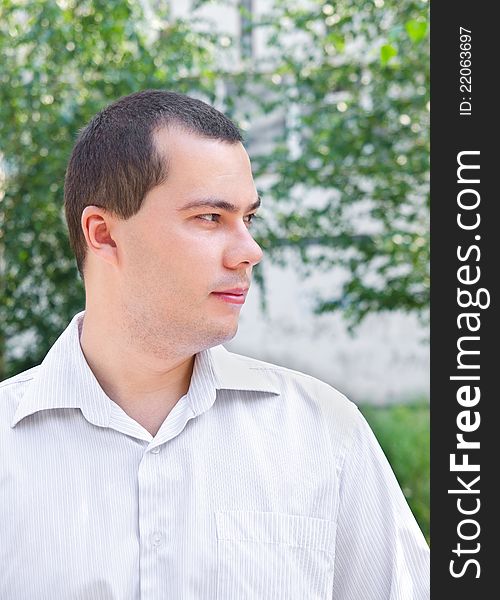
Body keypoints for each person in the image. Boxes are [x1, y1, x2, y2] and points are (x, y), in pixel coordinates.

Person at [0, 89, 429, 599]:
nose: (250, 251)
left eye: (248, 219)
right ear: (104, 234)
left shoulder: (324, 433)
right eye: (210, 218)